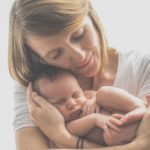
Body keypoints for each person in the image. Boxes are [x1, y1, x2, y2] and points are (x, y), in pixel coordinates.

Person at [8, 0, 150, 149]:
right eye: (56, 54)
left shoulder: (142, 68)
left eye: (79, 35)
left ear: (91, 14)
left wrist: (63, 137)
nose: (80, 56)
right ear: (38, 58)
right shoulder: (37, 90)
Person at [32, 66, 147, 146]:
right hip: (124, 134)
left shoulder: (87, 96)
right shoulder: (66, 126)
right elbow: (70, 131)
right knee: (111, 136)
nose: (72, 103)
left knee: (104, 93)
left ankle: (138, 107)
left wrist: (96, 99)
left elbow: (108, 97)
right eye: (60, 102)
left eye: (76, 95)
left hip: (128, 114)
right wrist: (95, 119)